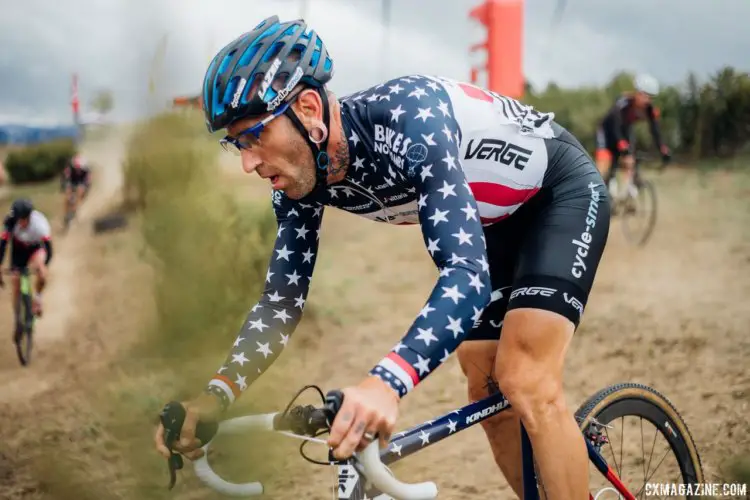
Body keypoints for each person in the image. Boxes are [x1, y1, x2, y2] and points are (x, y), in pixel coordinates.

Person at [153, 15, 611, 499]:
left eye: (254, 136)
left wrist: (385, 383)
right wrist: (218, 393)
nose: (247, 162)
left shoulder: (408, 121)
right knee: (486, 391)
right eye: (235, 145)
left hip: (556, 194)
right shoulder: (301, 179)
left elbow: (466, 275)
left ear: (308, 108)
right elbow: (281, 302)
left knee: (525, 378)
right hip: (490, 219)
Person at [594, 73, 671, 200]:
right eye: (645, 96)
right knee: (602, 168)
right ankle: (596, 195)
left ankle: (623, 197)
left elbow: (655, 129)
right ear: (638, 93)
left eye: (651, 98)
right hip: (607, 132)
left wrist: (662, 147)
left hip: (624, 131)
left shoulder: (649, 109)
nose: (648, 101)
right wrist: (620, 142)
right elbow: (615, 124)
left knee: (630, 160)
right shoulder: (623, 103)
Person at [0, 198, 53, 323]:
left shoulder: (40, 224)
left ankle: (38, 299)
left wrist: (43, 268)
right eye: (19, 219)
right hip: (18, 250)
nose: (21, 223)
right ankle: (17, 317)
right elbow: (3, 244)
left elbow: (49, 251)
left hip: (35, 249)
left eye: (24, 219)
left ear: (29, 216)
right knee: (15, 280)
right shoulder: (10, 221)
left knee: (41, 271)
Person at [61, 153, 91, 218]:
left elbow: (87, 182)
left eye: (79, 168)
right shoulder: (70, 169)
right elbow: (66, 178)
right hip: (72, 182)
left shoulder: (86, 170)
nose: (78, 170)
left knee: (80, 191)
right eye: (76, 167)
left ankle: (76, 210)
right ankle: (66, 214)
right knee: (67, 197)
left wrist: (85, 188)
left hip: (81, 183)